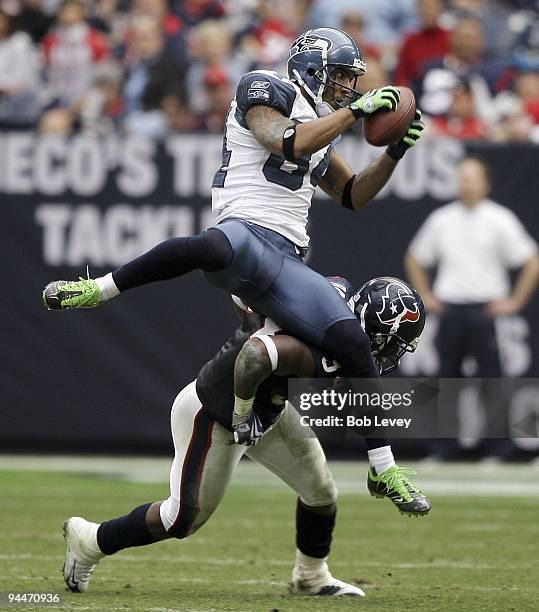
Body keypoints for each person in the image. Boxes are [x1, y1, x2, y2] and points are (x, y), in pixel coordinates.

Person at [43, 27, 424, 463]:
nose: (347, 85)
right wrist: (355, 113)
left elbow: (353, 194)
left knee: (346, 340)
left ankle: (380, 466)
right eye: (340, 73)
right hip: (245, 228)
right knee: (214, 249)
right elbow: (287, 140)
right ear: (313, 67)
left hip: (288, 256)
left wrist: (393, 153)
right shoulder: (263, 88)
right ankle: (100, 289)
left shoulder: (327, 127)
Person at [61, 276, 430, 597]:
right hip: (214, 415)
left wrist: (258, 329)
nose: (390, 352)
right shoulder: (325, 350)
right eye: (391, 341)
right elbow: (256, 354)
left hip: (267, 410)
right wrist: (241, 412)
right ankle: (90, 540)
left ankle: (311, 577)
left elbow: (243, 298)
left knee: (320, 492)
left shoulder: (333, 294)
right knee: (182, 519)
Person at [405, 156, 539, 458]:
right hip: (451, 310)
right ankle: (444, 447)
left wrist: (515, 302)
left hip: (485, 311)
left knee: (492, 381)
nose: (466, 183)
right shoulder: (442, 219)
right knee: (446, 380)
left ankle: (499, 448)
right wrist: (425, 294)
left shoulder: (500, 219)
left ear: (486, 183)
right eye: (462, 177)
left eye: (473, 177)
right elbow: (415, 257)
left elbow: (531, 260)